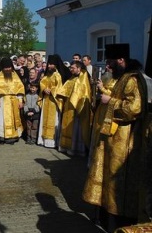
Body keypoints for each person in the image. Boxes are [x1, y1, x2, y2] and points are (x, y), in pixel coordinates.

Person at [83, 44, 150, 232]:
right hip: (114, 138)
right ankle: (105, 216)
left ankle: (118, 221)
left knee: (118, 181)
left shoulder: (133, 79)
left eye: (111, 63)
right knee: (109, 177)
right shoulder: (123, 78)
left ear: (121, 60)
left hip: (126, 141)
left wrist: (110, 101)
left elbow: (134, 108)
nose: (109, 67)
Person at [57, 61, 92, 156]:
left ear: (79, 68)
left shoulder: (83, 79)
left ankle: (75, 149)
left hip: (77, 106)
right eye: (71, 68)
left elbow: (82, 94)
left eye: (73, 68)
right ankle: (66, 146)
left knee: (76, 127)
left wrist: (78, 106)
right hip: (68, 105)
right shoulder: (72, 78)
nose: (71, 69)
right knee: (66, 125)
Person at [0, 57, 25, 145]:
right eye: (6, 67)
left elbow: (20, 89)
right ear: (3, 67)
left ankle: (13, 137)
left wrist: (20, 101)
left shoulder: (15, 76)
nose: (8, 69)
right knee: (2, 119)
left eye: (9, 67)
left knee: (14, 119)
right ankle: (2, 136)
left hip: (14, 101)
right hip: (3, 101)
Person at [36, 54, 71, 148]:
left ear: (55, 64)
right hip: (46, 100)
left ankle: (52, 141)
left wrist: (51, 90)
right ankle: (43, 140)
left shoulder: (59, 74)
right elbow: (42, 82)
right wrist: (43, 89)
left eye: (51, 64)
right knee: (44, 119)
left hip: (55, 101)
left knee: (54, 120)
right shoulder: (48, 74)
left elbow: (61, 88)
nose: (49, 66)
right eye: (49, 64)